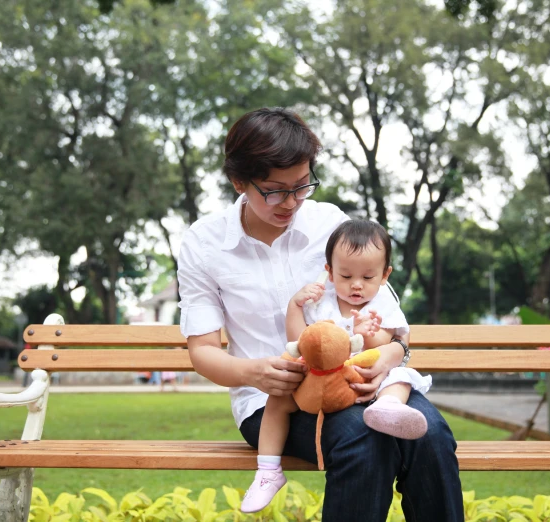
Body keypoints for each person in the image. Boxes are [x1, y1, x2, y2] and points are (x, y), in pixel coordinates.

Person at [178, 107, 463, 522]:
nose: (291, 202)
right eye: (275, 190)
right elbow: (203, 351)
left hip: (355, 380)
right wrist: (255, 372)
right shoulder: (204, 244)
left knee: (431, 434)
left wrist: (392, 355)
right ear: (239, 181)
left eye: (302, 185)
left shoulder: (330, 223)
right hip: (271, 403)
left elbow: (383, 313)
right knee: (364, 437)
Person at [241, 220, 433, 512]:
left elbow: (389, 341)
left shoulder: (382, 303)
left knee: (399, 377)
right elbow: (300, 339)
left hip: (362, 380)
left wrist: (369, 332)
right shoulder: (321, 303)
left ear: (385, 275)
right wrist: (295, 306)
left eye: (368, 276)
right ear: (329, 272)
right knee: (277, 398)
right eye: (346, 275)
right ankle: (268, 471)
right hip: (319, 380)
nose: (357, 284)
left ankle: (389, 407)